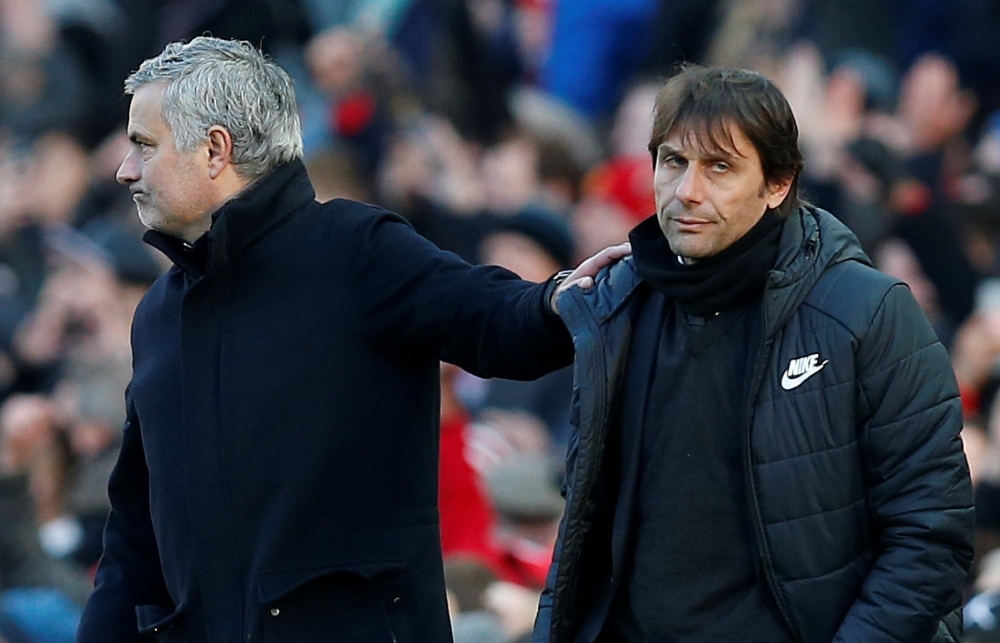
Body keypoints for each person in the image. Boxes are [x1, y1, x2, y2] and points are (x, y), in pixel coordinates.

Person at [75, 37, 626, 643]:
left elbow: (495, 319)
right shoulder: (159, 312)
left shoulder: (356, 250)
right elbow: (134, 540)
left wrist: (564, 298)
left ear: (214, 150)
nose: (125, 169)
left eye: (144, 145)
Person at [534, 65, 974, 643]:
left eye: (720, 167)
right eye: (673, 162)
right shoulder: (617, 305)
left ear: (778, 183)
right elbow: (581, 530)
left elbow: (930, 534)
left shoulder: (868, 310)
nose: (688, 190)